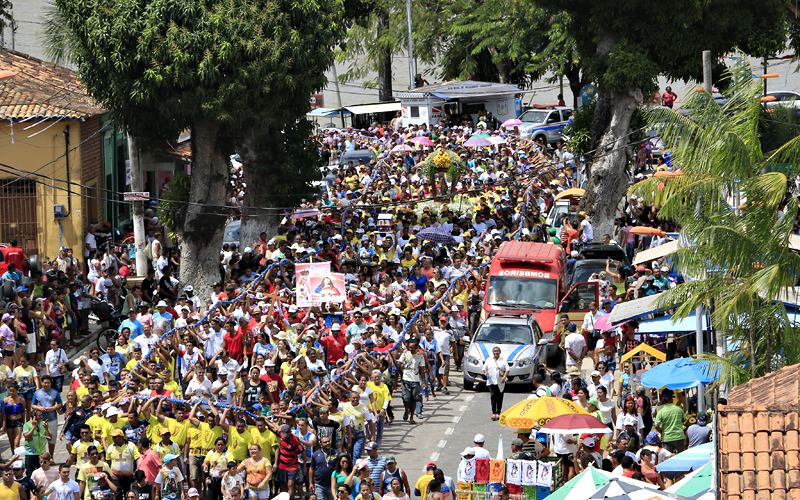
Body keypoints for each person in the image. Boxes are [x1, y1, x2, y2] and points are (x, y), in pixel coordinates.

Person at [482, 347, 508, 421]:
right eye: (494, 351)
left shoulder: (503, 360)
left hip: (500, 382)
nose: (496, 352)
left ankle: (498, 412)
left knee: (499, 397)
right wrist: (486, 372)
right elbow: (484, 368)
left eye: (497, 351)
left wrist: (504, 377)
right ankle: (493, 412)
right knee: (493, 396)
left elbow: (507, 369)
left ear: (500, 352)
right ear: (493, 352)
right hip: (491, 381)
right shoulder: (489, 360)